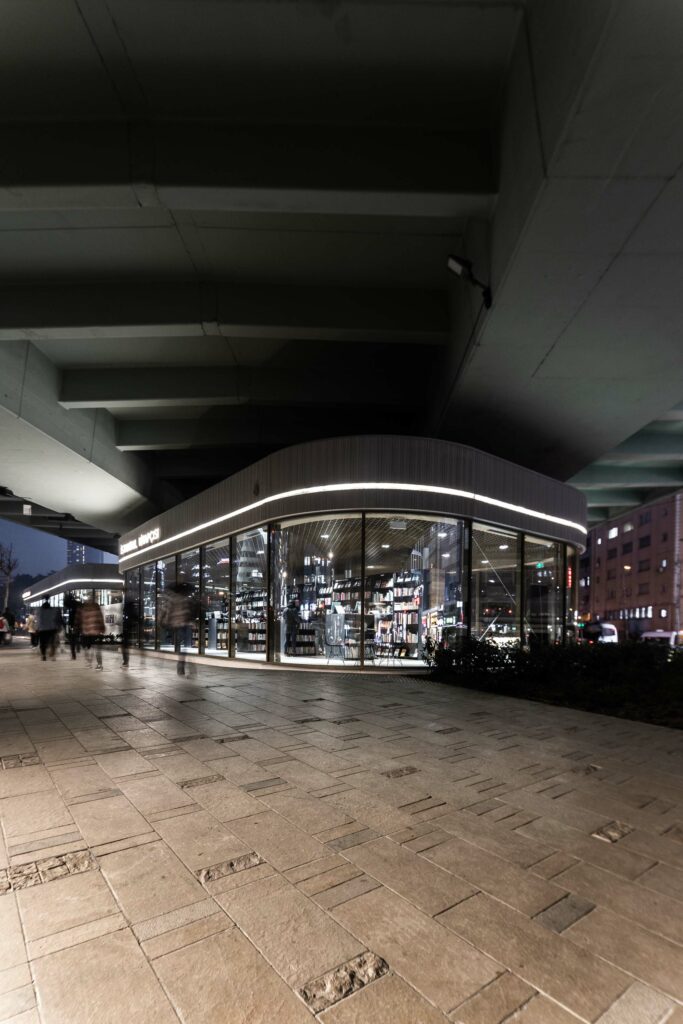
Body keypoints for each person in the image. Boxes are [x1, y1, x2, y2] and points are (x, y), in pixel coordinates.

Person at [164, 585, 193, 675]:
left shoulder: (171, 600)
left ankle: (180, 664)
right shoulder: (185, 599)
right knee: (184, 646)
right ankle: (181, 664)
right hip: (184, 624)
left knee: (180, 644)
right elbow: (187, 612)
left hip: (176, 625)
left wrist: (166, 621)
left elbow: (168, 612)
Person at [80, 596, 105, 669]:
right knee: (97, 648)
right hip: (96, 631)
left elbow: (82, 620)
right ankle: (99, 664)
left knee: (87, 648)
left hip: (87, 632)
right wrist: (102, 628)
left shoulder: (84, 608)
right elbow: (100, 618)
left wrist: (82, 629)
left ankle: (89, 662)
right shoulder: (96, 607)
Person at [121, 596, 139, 668]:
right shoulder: (132, 610)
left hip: (126, 629)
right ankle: (125, 661)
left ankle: (125, 662)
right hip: (128, 629)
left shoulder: (127, 610)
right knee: (125, 646)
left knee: (124, 646)